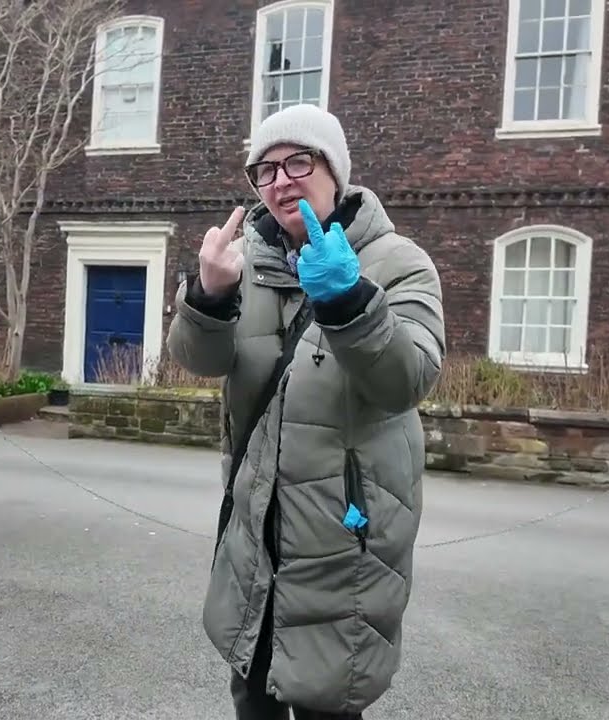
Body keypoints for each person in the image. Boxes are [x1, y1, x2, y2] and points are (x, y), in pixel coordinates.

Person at [165, 104, 446, 719]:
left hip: (342, 539)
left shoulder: (398, 263)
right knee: (253, 695)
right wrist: (208, 295)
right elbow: (197, 360)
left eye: (298, 161)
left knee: (327, 700)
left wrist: (349, 299)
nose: (281, 180)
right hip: (257, 529)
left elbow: (409, 380)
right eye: (264, 170)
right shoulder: (248, 262)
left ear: (334, 171)